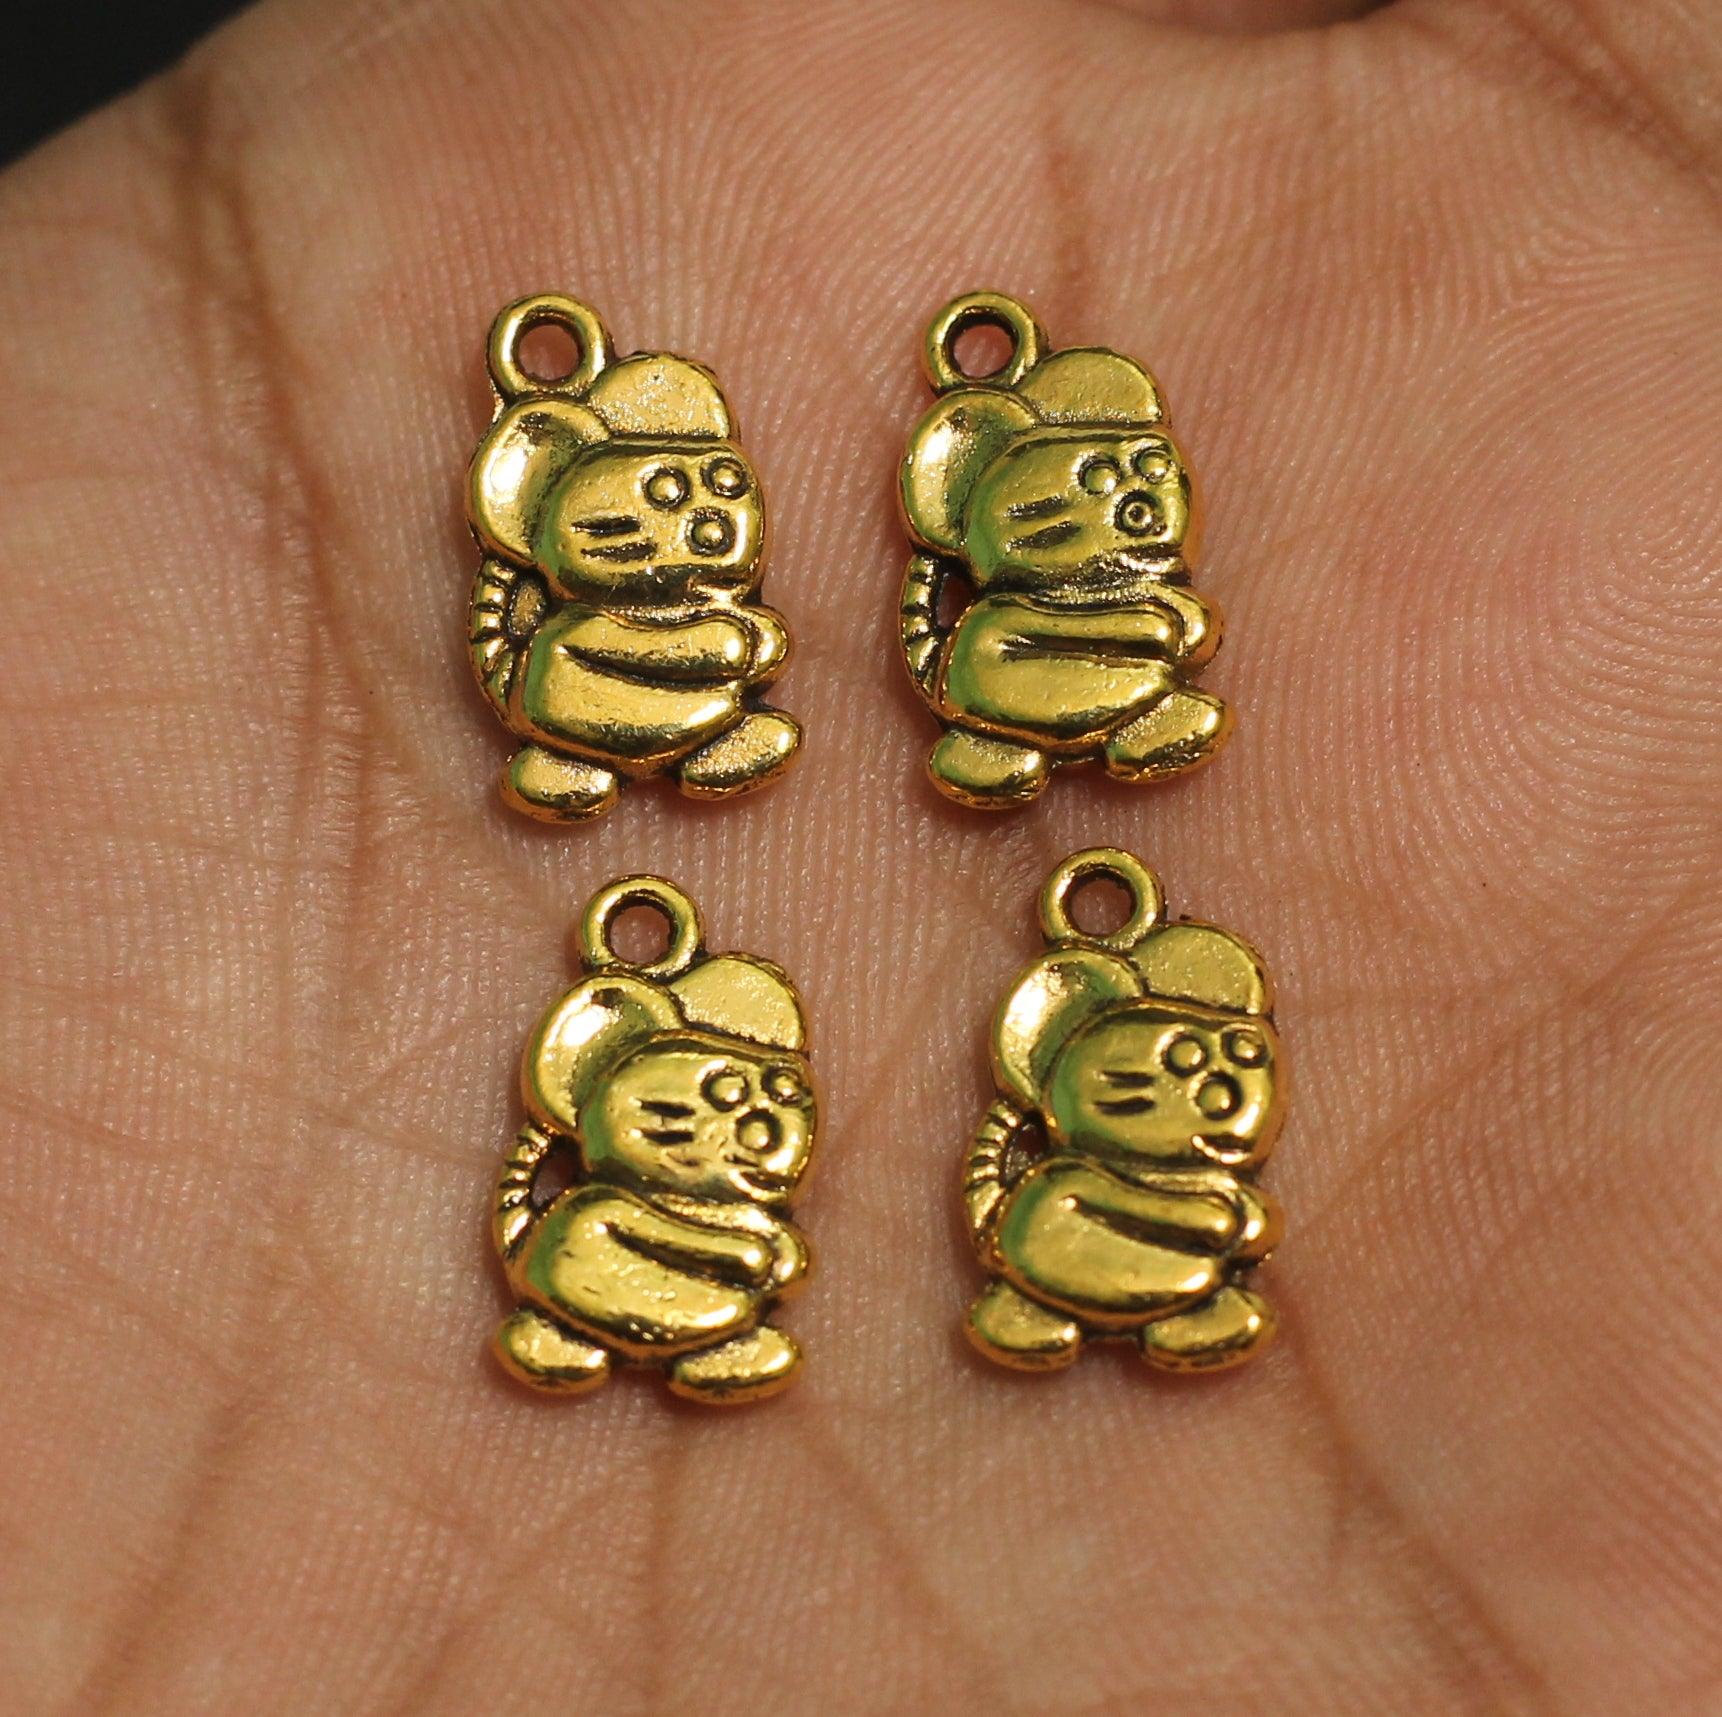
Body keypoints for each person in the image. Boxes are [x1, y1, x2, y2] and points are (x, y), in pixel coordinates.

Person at [0, 0, 1716, 1709]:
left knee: (1020, 861)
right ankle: (725, 789)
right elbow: (771, 636)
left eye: (701, 509)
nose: (681, 529)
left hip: (1055, 756)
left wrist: (1079, 626)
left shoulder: (1099, 1071)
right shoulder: (615, 1072)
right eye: (635, 512)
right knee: (696, 812)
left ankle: (965, 830)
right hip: (661, 718)